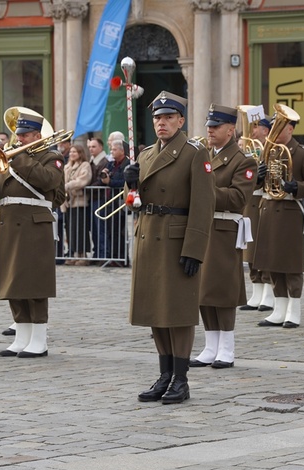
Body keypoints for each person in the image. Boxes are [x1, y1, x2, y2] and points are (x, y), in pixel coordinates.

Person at [125, 90, 215, 404]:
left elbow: (204, 204)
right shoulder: (147, 154)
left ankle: (181, 378)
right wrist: (130, 182)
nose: (161, 123)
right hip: (149, 235)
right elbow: (136, 202)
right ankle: (164, 374)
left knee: (177, 311)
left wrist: (195, 248)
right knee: (155, 310)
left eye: (167, 118)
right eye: (157, 118)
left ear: (180, 120)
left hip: (177, 238)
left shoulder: (194, 152)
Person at [0, 111, 64, 358]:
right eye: (19, 135)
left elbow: (48, 182)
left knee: (34, 284)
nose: (20, 140)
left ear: (37, 135)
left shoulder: (52, 157)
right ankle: (22, 337)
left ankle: (39, 340)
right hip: (7, 224)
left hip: (33, 225)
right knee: (12, 283)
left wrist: (19, 159)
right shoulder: (10, 157)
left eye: (25, 135)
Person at [189, 103, 256, 369]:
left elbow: (239, 197)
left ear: (230, 130)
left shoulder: (243, 161)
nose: (210, 130)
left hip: (224, 229)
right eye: (208, 126)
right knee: (203, 289)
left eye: (215, 126)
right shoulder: (204, 155)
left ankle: (226, 346)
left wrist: (206, 190)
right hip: (203, 227)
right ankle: (210, 345)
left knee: (223, 289)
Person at [255, 108, 304, 329]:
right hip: (267, 208)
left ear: (290, 129)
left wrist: (297, 187)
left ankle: (294, 309)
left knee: (291, 263)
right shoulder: (267, 151)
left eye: (279, 127)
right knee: (272, 262)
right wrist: (258, 177)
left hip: (288, 211)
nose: (273, 131)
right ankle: (279, 307)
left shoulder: (303, 153)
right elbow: (257, 184)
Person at [239, 113, 273, 311]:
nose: (252, 131)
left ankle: (268, 291)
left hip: (264, 201)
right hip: (249, 201)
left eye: (256, 127)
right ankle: (256, 290)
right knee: (250, 250)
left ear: (265, 130)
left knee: (264, 249)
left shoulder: (271, 149)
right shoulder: (248, 150)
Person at [61, 143, 92, 266]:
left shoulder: (85, 165)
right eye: (71, 152)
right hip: (68, 202)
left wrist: (67, 186)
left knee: (80, 229)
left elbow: (83, 180)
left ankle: (82, 254)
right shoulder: (67, 166)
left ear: (80, 153)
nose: (72, 154)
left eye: (75, 152)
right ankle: (73, 253)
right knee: (70, 229)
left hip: (79, 201)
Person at [99, 139, 128, 265]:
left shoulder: (127, 163)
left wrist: (110, 182)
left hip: (120, 202)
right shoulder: (111, 164)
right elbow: (103, 179)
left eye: (114, 149)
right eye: (111, 149)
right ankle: (112, 256)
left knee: (119, 232)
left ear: (122, 151)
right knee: (110, 231)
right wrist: (104, 175)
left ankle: (121, 257)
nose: (112, 152)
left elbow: (125, 182)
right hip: (110, 201)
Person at [87, 137, 109, 260]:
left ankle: (102, 254)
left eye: (94, 146)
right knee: (94, 229)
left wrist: (88, 187)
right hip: (93, 198)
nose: (91, 149)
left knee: (101, 228)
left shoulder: (103, 161)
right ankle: (97, 253)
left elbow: (101, 181)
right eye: (90, 147)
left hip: (100, 198)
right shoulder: (92, 161)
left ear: (100, 147)